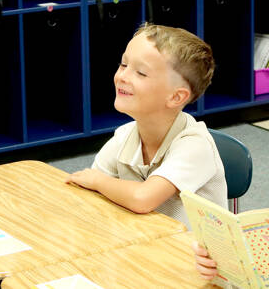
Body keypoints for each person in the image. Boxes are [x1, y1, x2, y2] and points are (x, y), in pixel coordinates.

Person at [66, 23, 228, 229]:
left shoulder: (195, 146)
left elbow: (142, 198)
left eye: (141, 73)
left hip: (192, 257)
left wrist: (99, 182)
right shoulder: (124, 136)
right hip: (144, 246)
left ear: (176, 97)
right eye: (123, 65)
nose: (122, 76)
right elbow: (87, 194)